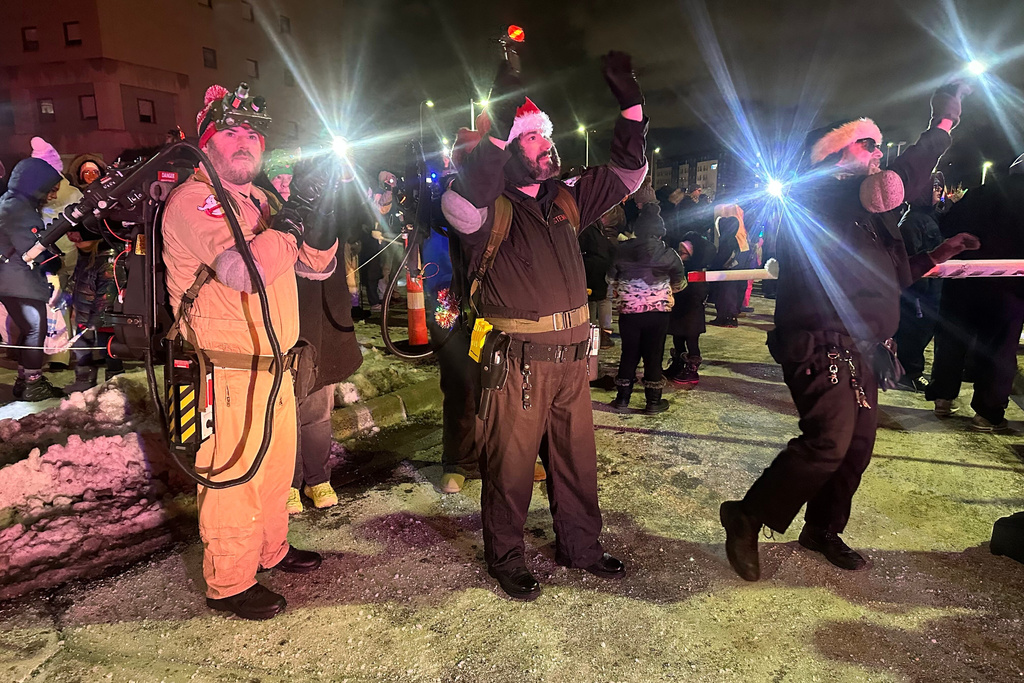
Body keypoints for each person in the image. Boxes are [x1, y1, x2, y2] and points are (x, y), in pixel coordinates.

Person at [720, 84, 980, 582]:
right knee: (828, 443)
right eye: (868, 144)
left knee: (857, 449)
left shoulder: (874, 218)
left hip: (867, 350)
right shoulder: (823, 197)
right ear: (837, 156)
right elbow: (895, 181)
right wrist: (943, 125)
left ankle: (821, 528)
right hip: (821, 343)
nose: (880, 152)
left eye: (878, 144)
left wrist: (936, 254)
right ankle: (747, 514)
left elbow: (893, 277)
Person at [440, 51, 648, 600]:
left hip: (572, 361)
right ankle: (505, 557)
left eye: (544, 136)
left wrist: (631, 105)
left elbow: (628, 172)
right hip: (519, 365)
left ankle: (580, 546)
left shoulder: (567, 197)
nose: (545, 145)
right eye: (531, 139)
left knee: (576, 463)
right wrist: (502, 126)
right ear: (508, 149)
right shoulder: (484, 209)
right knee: (509, 468)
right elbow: (467, 197)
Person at [161, 84, 336, 619]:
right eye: (231, 133)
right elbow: (241, 271)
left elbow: (315, 269)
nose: (244, 143)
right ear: (207, 143)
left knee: (275, 473)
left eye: (253, 135)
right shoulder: (194, 200)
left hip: (276, 368)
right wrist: (288, 223)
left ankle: (270, 551)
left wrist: (321, 217)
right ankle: (231, 582)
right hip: (228, 372)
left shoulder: (259, 199)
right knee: (234, 477)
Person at [925, 154, 1024, 432]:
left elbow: (948, 226)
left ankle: (943, 397)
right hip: (1010, 287)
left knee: (952, 338)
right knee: (1000, 348)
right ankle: (987, 412)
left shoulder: (982, 192)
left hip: (964, 280)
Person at [608, 203, 685, 413]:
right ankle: (653, 401)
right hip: (658, 313)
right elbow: (680, 283)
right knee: (654, 354)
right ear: (660, 231)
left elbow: (610, 278)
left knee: (629, 353)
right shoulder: (669, 254)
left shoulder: (621, 251)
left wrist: (626, 290)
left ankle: (622, 398)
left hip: (629, 312)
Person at [0, 158, 66, 401]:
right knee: (34, 329)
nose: (51, 196)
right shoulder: (17, 208)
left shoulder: (12, 203)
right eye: (50, 190)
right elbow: (33, 245)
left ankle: (24, 380)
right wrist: (53, 261)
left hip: (14, 279)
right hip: (18, 281)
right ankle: (32, 383)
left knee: (29, 329)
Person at [64, 153, 125, 393]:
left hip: (107, 266)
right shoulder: (79, 204)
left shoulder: (112, 202)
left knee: (106, 326)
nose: (90, 177)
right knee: (81, 327)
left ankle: (115, 379)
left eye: (94, 172)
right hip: (84, 271)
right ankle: (83, 379)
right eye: (85, 173)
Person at [893, 172, 946, 392]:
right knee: (913, 331)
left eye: (939, 187)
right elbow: (911, 259)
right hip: (919, 292)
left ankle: (909, 369)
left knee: (924, 331)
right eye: (934, 187)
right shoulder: (911, 221)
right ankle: (910, 372)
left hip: (932, 290)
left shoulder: (931, 216)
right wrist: (920, 291)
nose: (939, 191)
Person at [664, 230, 716, 384]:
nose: (681, 256)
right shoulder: (679, 268)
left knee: (692, 342)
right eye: (679, 252)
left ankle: (692, 369)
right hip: (678, 311)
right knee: (677, 339)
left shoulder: (698, 272)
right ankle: (678, 363)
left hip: (691, 314)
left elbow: (699, 292)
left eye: (684, 253)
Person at [579, 209, 618, 348]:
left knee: (592, 300)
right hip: (602, 265)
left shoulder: (586, 227)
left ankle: (590, 333)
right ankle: (604, 334)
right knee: (603, 299)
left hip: (590, 266)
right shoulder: (598, 229)